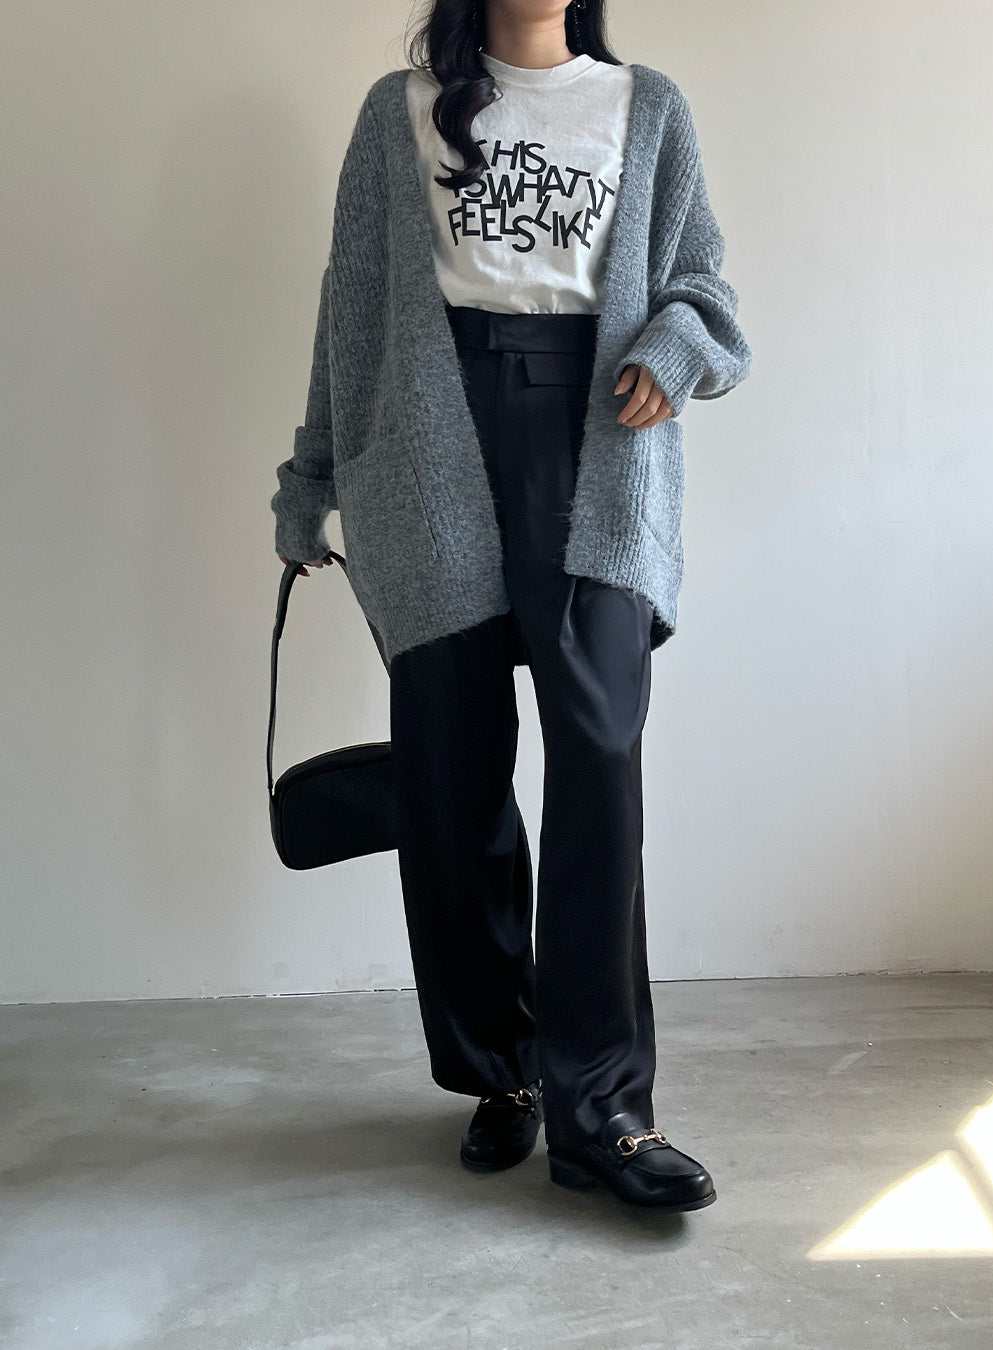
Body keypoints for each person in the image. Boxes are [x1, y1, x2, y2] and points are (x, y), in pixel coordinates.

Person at [273, 0, 751, 1213]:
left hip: (596, 440)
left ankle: (606, 1115)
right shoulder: (399, 113)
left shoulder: (647, 108)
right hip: (430, 450)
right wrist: (310, 479)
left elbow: (703, 286)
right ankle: (505, 1073)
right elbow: (351, 307)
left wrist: (674, 348)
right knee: (454, 777)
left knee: (598, 767)